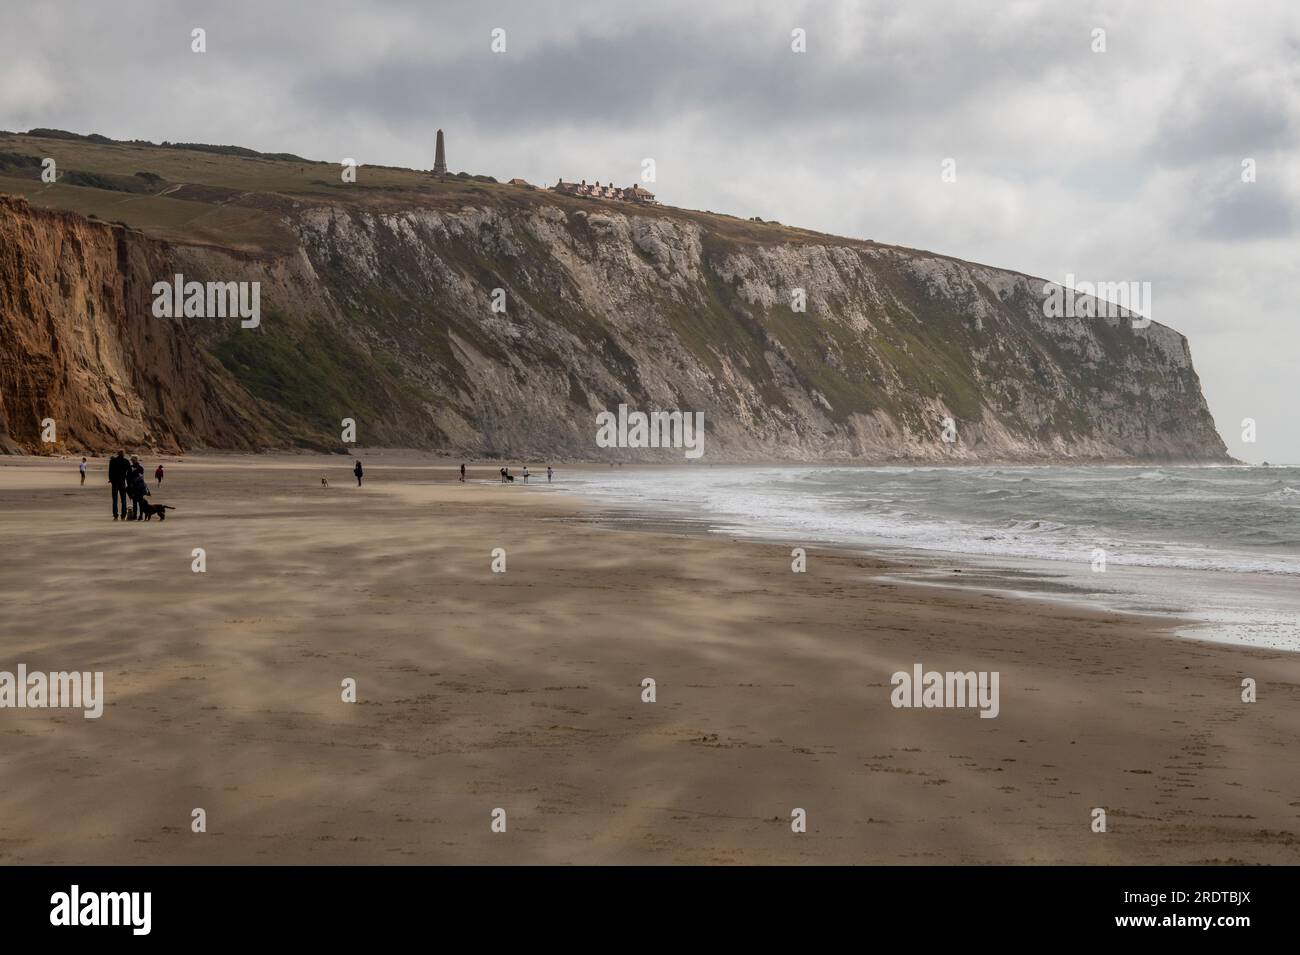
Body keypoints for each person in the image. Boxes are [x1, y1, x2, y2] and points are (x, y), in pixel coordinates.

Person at [108, 450, 130, 521]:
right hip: (122, 482)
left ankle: (115, 516)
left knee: (115, 499)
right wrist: (128, 480)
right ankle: (123, 516)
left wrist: (111, 479)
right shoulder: (126, 461)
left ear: (118, 453)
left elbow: (110, 471)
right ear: (123, 454)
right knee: (123, 500)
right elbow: (129, 472)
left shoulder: (113, 461)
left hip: (114, 482)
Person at [127, 455, 150, 520]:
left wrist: (130, 484)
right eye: (131, 460)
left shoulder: (136, 468)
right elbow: (140, 477)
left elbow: (130, 477)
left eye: (132, 460)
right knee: (138, 502)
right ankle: (139, 516)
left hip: (136, 486)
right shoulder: (139, 467)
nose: (132, 461)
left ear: (135, 460)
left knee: (137, 502)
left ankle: (137, 516)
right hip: (138, 486)